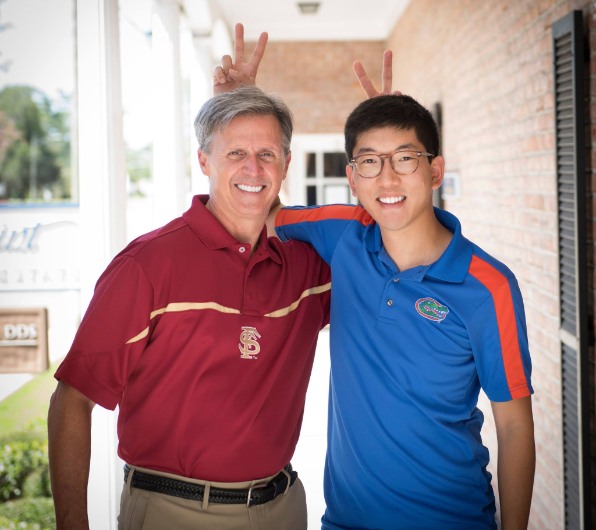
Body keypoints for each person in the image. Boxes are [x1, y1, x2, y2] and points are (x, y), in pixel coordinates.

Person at [217, 26, 535, 529]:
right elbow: (259, 203)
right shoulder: (343, 234)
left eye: (405, 159)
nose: (387, 179)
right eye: (370, 162)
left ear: (434, 171)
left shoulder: (488, 286)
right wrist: (237, 108)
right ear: (352, 176)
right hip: (346, 521)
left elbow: (515, 428)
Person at [47, 39, 331, 529]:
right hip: (172, 511)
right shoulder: (147, 265)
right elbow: (72, 400)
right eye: (235, 152)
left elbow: (383, 240)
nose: (253, 168)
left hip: (283, 507)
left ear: (286, 164)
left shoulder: (308, 266)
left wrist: (387, 162)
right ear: (204, 161)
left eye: (267, 153)